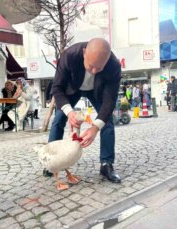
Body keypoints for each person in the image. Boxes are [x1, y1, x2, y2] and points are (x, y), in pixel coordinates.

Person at [47, 38, 121, 183]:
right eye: (91, 66)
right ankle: (52, 162)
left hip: (97, 92)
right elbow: (57, 88)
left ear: (107, 61)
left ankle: (106, 164)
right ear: (84, 53)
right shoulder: (69, 56)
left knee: (107, 122)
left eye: (99, 68)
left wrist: (95, 128)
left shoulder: (114, 66)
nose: (94, 71)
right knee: (58, 119)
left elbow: (109, 101)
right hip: (72, 90)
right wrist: (69, 112)